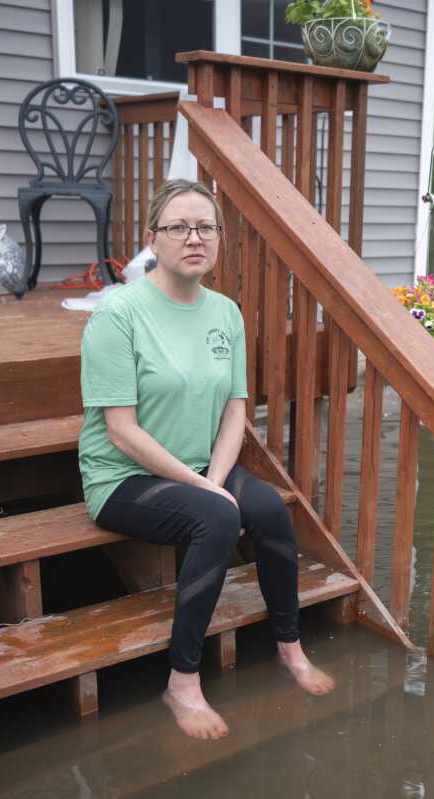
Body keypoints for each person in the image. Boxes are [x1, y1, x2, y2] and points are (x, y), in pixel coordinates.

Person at [78, 179, 334, 740]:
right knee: (217, 516)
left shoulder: (226, 313)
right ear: (152, 239)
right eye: (178, 227)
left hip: (199, 466)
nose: (194, 238)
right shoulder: (117, 314)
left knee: (266, 507)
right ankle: (183, 680)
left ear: (219, 238)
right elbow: (120, 432)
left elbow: (235, 412)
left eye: (206, 227)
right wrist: (209, 494)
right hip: (124, 477)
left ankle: (289, 646)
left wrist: (215, 480)